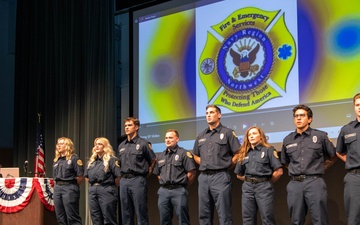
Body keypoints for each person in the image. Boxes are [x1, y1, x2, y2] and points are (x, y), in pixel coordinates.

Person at [281, 104, 337, 225]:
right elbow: (285, 161)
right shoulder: (287, 139)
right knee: (296, 220)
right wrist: (295, 170)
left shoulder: (320, 136)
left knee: (320, 219)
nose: (298, 118)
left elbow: (333, 155)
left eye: (302, 115)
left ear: (310, 119)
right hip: (294, 184)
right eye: (296, 116)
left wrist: (322, 167)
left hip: (314, 182)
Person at [192, 105, 241, 225]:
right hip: (203, 178)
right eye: (207, 113)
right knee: (204, 215)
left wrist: (228, 165)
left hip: (220, 176)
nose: (208, 115)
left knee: (224, 214)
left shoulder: (228, 133)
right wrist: (203, 163)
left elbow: (238, 153)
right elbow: (195, 155)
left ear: (219, 115)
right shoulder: (201, 135)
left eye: (212, 112)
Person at [235, 126, 283, 225]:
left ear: (260, 136)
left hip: (264, 187)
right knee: (248, 219)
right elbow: (238, 174)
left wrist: (266, 182)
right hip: (248, 189)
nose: (251, 136)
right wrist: (250, 180)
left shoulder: (268, 150)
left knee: (267, 218)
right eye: (249, 135)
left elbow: (279, 171)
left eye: (254, 134)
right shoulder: (243, 153)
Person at [117, 117, 156, 225]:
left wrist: (147, 172)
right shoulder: (121, 146)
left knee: (141, 211)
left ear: (136, 127)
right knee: (125, 213)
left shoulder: (144, 143)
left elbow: (153, 159)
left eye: (129, 125)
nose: (127, 128)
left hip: (137, 180)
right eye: (125, 126)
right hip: (124, 181)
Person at [153, 129, 196, 225]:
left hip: (179, 190)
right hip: (163, 191)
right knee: (164, 221)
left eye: (171, 138)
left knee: (183, 220)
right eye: (166, 138)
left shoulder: (184, 153)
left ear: (177, 139)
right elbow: (158, 174)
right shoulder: (160, 156)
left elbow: (191, 172)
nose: (168, 140)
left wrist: (182, 186)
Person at [84, 137, 121, 225]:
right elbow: (86, 176)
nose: (97, 146)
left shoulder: (112, 160)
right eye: (96, 144)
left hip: (106, 189)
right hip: (93, 190)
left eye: (100, 144)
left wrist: (110, 187)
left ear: (105, 146)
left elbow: (118, 177)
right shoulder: (92, 162)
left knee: (109, 218)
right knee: (95, 218)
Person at [336, 93, 360, 225]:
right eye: (357, 105)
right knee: (353, 217)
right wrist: (351, 162)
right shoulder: (347, 129)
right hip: (354, 177)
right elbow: (339, 151)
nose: (359, 107)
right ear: (354, 107)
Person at [53, 137, 84, 225]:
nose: (59, 145)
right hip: (58, 188)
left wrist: (71, 186)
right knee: (60, 217)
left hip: (69, 188)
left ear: (67, 146)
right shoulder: (56, 160)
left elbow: (80, 176)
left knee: (72, 217)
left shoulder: (74, 159)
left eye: (62, 143)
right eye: (58, 143)